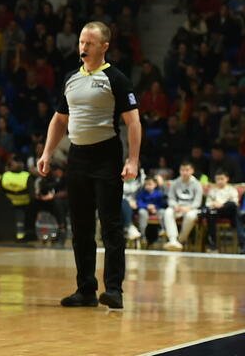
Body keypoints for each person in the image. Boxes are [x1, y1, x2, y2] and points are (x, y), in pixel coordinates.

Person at [38, 21, 141, 310]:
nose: (83, 47)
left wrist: (133, 159)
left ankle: (114, 290)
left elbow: (133, 122)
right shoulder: (71, 78)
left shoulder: (116, 78)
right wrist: (47, 153)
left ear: (104, 47)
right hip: (78, 157)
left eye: (90, 43)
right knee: (81, 227)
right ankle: (85, 289)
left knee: (110, 225)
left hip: (106, 156)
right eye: (82, 42)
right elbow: (60, 119)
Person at [162, 161, 203, 251]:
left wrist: (189, 208)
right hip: (178, 207)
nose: (184, 172)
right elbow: (171, 198)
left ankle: (180, 240)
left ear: (192, 171)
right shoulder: (175, 182)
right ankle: (173, 239)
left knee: (190, 216)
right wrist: (175, 206)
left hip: (191, 208)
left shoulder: (197, 184)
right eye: (182, 170)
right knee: (168, 212)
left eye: (187, 170)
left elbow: (198, 202)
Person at [201, 169, 245, 253]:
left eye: (222, 179)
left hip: (229, 212)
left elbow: (235, 203)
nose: (220, 181)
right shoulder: (212, 190)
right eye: (218, 179)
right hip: (215, 212)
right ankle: (213, 245)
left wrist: (222, 205)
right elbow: (208, 204)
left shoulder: (231, 189)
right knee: (210, 213)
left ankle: (243, 245)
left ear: (227, 179)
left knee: (233, 207)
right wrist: (215, 205)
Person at [135, 176, 166, 245]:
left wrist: (155, 207)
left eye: (150, 184)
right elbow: (139, 203)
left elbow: (161, 203)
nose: (148, 186)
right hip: (145, 209)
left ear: (155, 184)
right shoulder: (141, 193)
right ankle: (142, 235)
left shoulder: (158, 193)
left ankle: (162, 230)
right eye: (146, 184)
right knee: (141, 212)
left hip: (156, 210)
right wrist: (147, 206)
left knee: (163, 212)